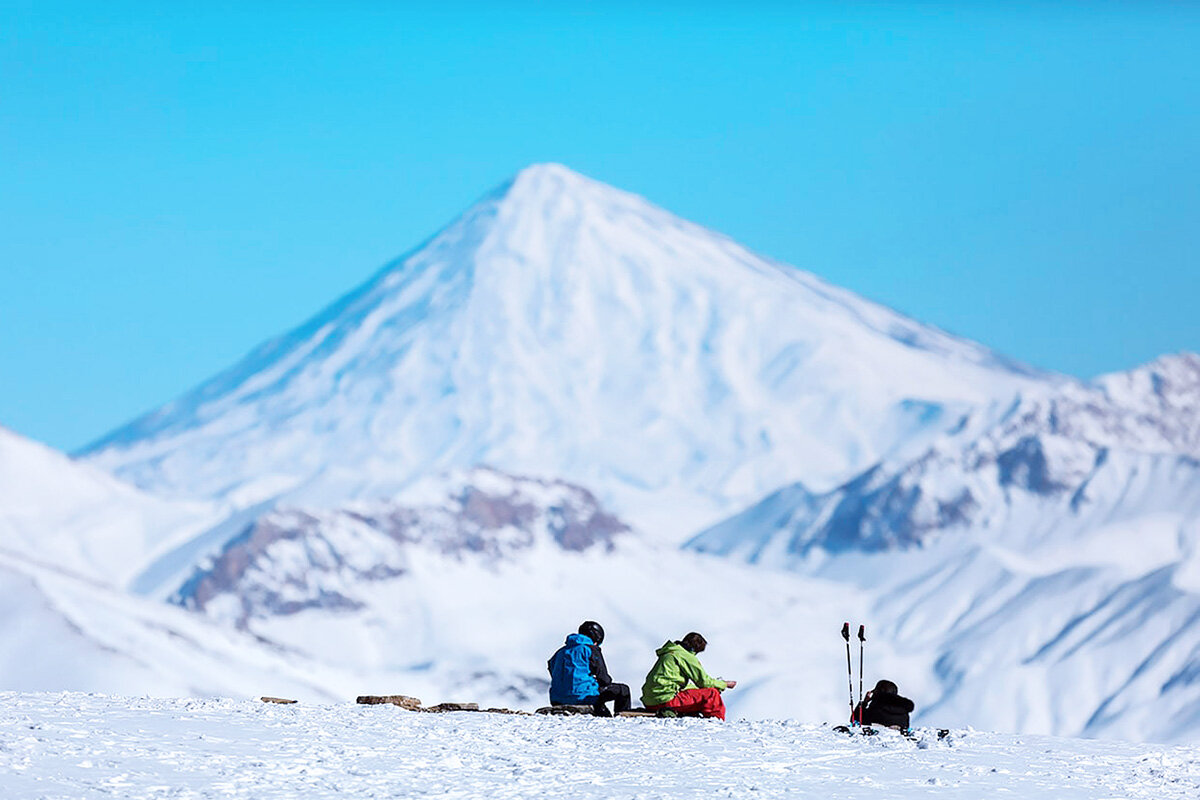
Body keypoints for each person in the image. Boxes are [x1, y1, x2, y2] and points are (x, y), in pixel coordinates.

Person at [640, 632, 736, 720]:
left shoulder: (670, 652)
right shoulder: (685, 656)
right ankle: (717, 724)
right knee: (712, 694)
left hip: (651, 701)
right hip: (665, 701)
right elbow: (704, 682)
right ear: (694, 649)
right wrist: (724, 684)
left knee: (698, 692)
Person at [547, 621, 632, 717]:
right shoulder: (590, 649)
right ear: (595, 637)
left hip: (556, 699)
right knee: (623, 690)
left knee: (595, 695)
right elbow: (604, 679)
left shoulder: (560, 652)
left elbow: (552, 669)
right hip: (583, 697)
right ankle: (622, 720)